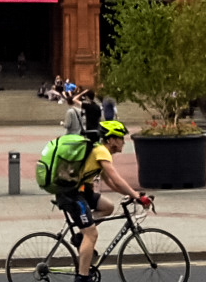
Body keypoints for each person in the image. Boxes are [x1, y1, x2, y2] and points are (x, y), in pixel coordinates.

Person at [56, 120, 150, 282]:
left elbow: (110, 182)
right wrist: (135, 195)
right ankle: (82, 277)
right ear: (111, 140)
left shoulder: (98, 151)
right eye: (120, 138)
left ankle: (80, 237)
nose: (123, 142)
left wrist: (129, 195)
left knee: (108, 207)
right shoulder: (102, 151)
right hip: (72, 195)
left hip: (81, 192)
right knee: (91, 233)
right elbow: (116, 178)